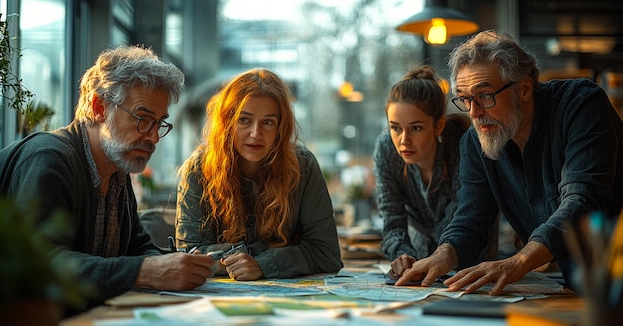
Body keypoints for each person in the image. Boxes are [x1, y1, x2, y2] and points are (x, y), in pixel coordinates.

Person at [396, 30, 623, 294]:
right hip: (581, 289)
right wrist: (444, 253)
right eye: (464, 99)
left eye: (484, 96)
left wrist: (518, 262)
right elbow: (470, 219)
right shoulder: (475, 141)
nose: (474, 112)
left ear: (524, 88)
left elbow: (582, 202)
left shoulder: (581, 105)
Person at [0, 46, 215, 313]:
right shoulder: (48, 159)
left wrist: (177, 265)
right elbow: (38, 265)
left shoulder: (116, 169)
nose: (154, 137)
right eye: (143, 119)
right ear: (99, 107)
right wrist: (145, 270)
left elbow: (137, 245)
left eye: (159, 123)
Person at [175, 68, 342, 281]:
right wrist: (268, 252)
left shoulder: (303, 166)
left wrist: (263, 265)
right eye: (244, 120)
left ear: (281, 129)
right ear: (228, 123)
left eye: (268, 122)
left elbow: (327, 254)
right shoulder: (198, 168)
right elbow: (189, 256)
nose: (255, 133)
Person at [373, 65, 497, 279]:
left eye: (416, 128)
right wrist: (403, 256)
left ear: (438, 125)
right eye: (395, 128)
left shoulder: (463, 148)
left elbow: (468, 223)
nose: (403, 140)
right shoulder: (386, 149)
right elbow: (392, 221)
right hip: (419, 267)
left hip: (472, 268)